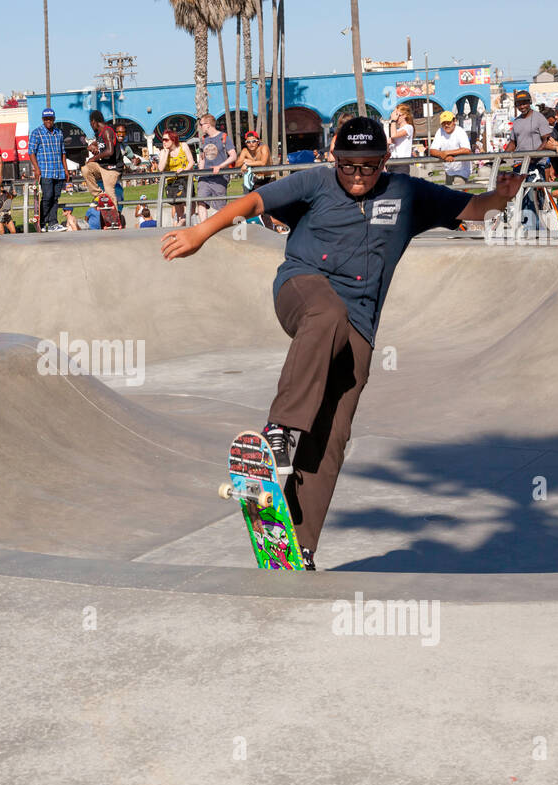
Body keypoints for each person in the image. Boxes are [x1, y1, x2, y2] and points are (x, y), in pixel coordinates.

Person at [158, 116, 524, 569]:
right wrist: (199, 233)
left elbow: (473, 210)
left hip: (360, 324)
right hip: (301, 290)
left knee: (333, 432)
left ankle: (297, 544)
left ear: (384, 161)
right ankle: (280, 432)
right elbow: (254, 201)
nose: (356, 176)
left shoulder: (407, 194)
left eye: (368, 167)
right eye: (348, 165)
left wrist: (501, 197)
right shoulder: (314, 183)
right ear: (334, 157)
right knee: (325, 313)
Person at [29, 107, 67, 232]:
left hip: (58, 171)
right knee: (47, 197)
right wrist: (36, 169)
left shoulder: (59, 133)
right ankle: (42, 221)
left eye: (50, 119)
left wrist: (66, 170)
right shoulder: (36, 132)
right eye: (46, 119)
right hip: (45, 171)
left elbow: (63, 153)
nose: (48, 121)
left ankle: (53, 223)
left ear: (54, 119)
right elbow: (31, 152)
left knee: (55, 197)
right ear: (42, 119)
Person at [195, 113, 236, 222]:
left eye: (201, 124)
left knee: (220, 206)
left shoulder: (224, 137)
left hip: (220, 177)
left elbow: (233, 155)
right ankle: (203, 226)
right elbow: (202, 158)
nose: (200, 127)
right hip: (205, 177)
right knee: (201, 200)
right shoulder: (203, 139)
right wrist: (200, 171)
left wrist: (220, 166)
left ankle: (219, 227)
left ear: (208, 125)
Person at [155, 129, 194, 226]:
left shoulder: (183, 146)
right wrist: (166, 153)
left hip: (185, 179)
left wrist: (184, 170)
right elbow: (160, 168)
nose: (164, 142)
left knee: (192, 206)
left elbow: (191, 162)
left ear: (173, 139)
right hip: (172, 182)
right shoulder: (163, 152)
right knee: (178, 207)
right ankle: (182, 227)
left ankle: (182, 222)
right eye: (163, 140)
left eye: (166, 140)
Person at [81, 109, 121, 200]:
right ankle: (99, 195)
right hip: (102, 166)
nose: (91, 126)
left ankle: (113, 212)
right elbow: (99, 143)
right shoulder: (100, 134)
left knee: (110, 193)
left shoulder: (107, 131)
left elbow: (110, 151)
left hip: (112, 168)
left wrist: (94, 158)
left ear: (93, 122)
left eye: (90, 123)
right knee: (85, 169)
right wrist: (92, 146)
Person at [428, 111, 472, 185]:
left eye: (448, 122)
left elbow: (467, 150)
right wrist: (443, 156)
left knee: (458, 190)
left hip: (462, 170)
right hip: (448, 169)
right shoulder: (440, 131)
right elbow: (432, 150)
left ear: (454, 121)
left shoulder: (460, 131)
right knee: (448, 194)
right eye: (443, 123)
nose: (446, 125)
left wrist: (447, 153)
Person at [387, 104, 414, 174]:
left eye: (397, 115)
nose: (396, 117)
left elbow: (393, 135)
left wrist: (393, 121)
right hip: (392, 163)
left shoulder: (408, 127)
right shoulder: (397, 130)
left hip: (402, 164)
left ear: (404, 115)